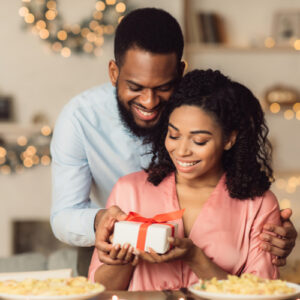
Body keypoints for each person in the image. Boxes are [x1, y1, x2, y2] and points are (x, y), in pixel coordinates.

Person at [50, 8, 297, 270]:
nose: (149, 102)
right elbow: (64, 214)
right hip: (109, 247)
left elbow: (239, 179)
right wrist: (103, 222)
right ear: (113, 72)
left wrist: (264, 233)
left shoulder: (199, 106)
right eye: (135, 88)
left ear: (180, 72)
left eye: (162, 88)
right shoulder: (79, 119)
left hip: (212, 250)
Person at [89, 69, 282, 290]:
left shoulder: (259, 205)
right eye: (174, 135)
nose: (181, 150)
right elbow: (97, 290)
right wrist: (123, 259)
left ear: (229, 139)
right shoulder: (129, 190)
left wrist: (196, 258)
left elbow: (263, 294)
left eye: (199, 141)